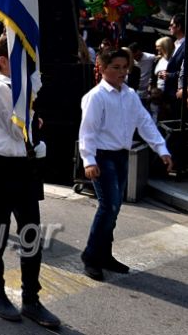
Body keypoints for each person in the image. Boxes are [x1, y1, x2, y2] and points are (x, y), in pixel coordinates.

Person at [0, 36, 60, 328]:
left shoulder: (21, 88)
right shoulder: (1, 89)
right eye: (21, 59)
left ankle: (31, 300)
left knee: (30, 234)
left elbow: (34, 81)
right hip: (0, 166)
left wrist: (25, 32)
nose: (29, 66)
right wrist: (32, 118)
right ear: (3, 62)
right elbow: (18, 131)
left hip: (24, 166)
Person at [79, 48, 172, 281]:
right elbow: (88, 131)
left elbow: (144, 122)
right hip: (102, 156)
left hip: (121, 155)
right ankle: (91, 256)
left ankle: (104, 254)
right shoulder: (96, 96)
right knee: (108, 206)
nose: (122, 72)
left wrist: (161, 149)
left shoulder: (129, 95)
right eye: (116, 67)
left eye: (124, 67)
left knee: (114, 208)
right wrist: (88, 159)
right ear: (102, 68)